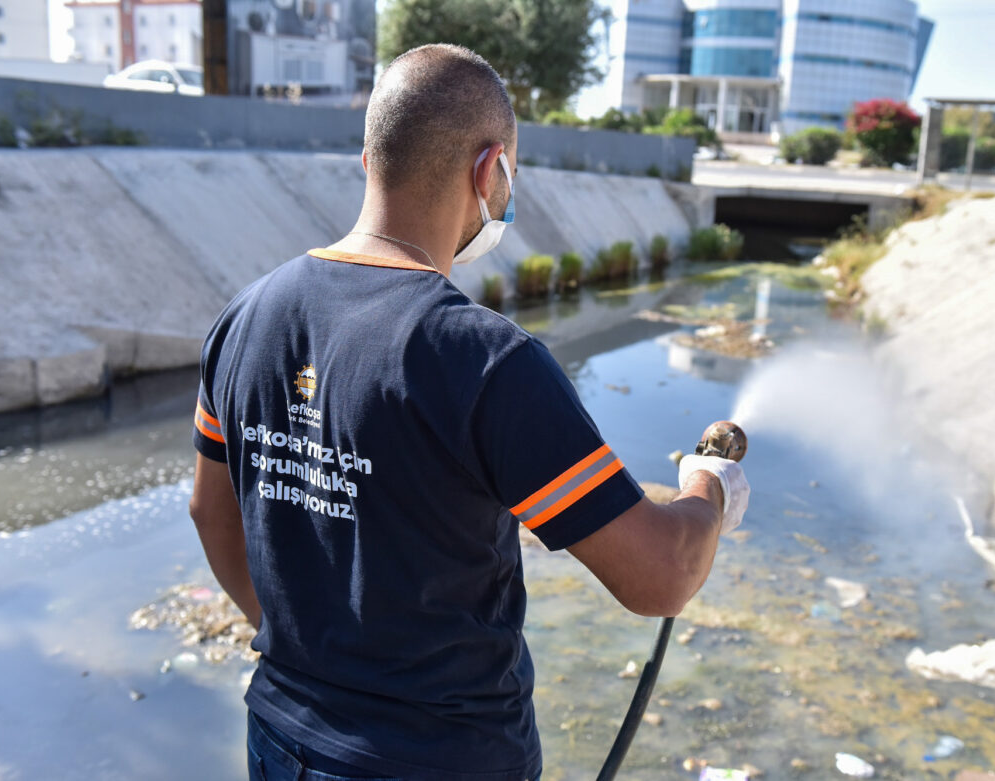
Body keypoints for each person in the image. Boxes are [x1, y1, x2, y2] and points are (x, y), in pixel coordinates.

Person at [189, 43, 749, 781]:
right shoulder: (485, 360)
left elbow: (210, 511)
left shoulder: (245, 317)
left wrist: (298, 642)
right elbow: (662, 575)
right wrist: (708, 490)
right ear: (491, 173)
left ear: (370, 161)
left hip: (282, 737)